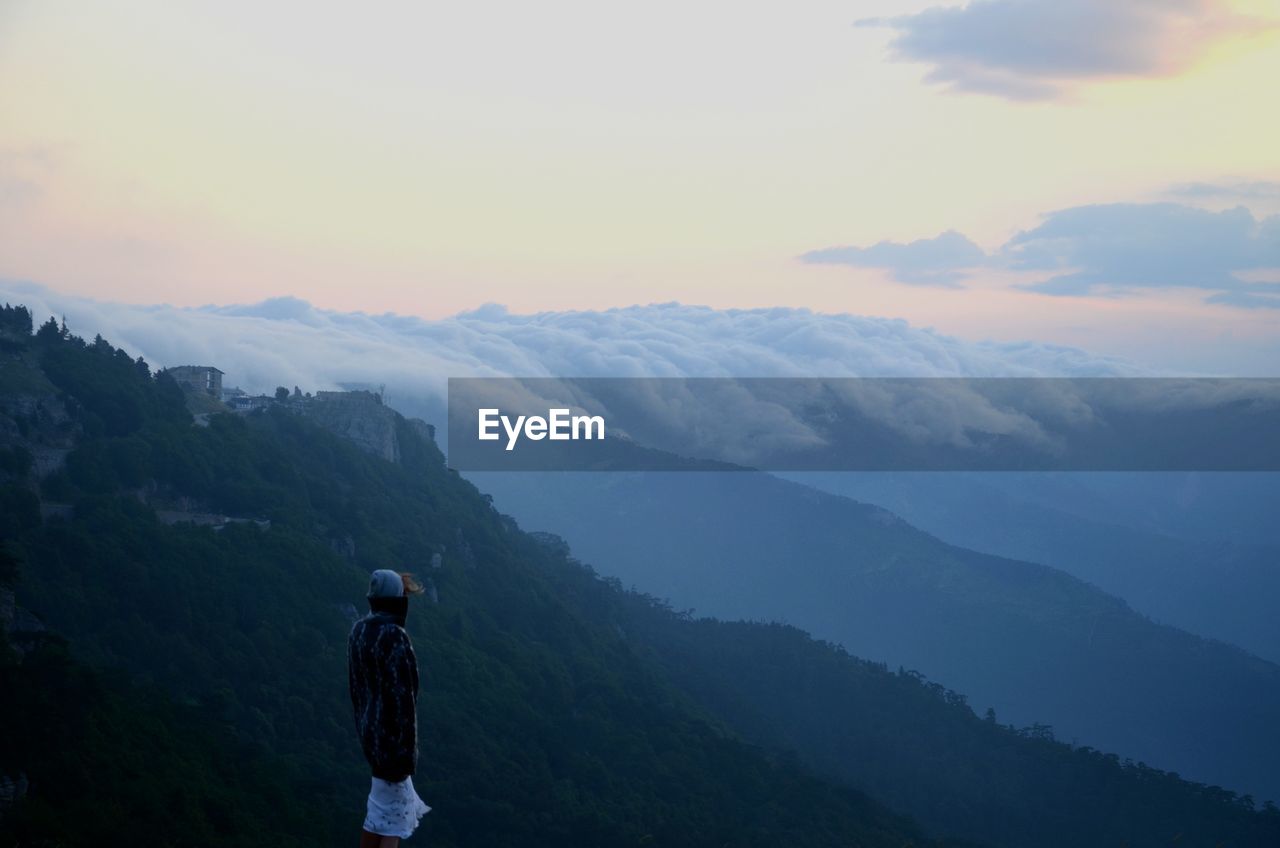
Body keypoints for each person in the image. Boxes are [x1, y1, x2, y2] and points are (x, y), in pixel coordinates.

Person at [349, 569, 431, 847]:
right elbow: (403, 698)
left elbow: (356, 688)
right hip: (393, 741)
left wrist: (364, 729)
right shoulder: (394, 636)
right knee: (393, 820)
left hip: (370, 734)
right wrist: (407, 754)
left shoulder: (358, 630)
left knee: (378, 812)